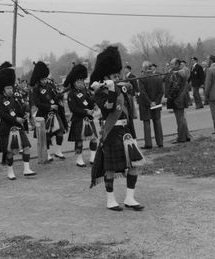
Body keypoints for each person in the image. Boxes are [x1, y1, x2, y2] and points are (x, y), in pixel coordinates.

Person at [90, 46, 144, 212]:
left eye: (117, 74)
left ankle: (130, 198)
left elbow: (128, 113)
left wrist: (133, 135)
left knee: (135, 165)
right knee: (111, 168)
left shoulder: (123, 88)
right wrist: (112, 89)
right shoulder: (99, 93)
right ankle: (110, 199)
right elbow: (109, 108)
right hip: (111, 133)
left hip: (126, 132)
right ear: (105, 76)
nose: (117, 76)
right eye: (113, 75)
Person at [0, 63, 36, 180]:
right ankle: (10, 171)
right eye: (8, 88)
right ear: (3, 89)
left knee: (26, 147)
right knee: (10, 152)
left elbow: (19, 110)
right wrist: (16, 119)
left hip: (19, 127)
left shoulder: (15, 98)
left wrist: (25, 112)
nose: (11, 90)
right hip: (7, 129)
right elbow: (3, 115)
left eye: (11, 87)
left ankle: (26, 169)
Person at [30, 61, 68, 161]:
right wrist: (50, 107)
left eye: (45, 78)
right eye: (43, 79)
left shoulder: (50, 86)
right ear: (39, 79)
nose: (45, 80)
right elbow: (37, 103)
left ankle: (58, 151)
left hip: (54, 113)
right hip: (43, 115)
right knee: (46, 136)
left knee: (60, 132)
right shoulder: (36, 89)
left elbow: (55, 97)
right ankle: (47, 154)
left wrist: (59, 96)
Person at [66, 64, 98, 167]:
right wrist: (86, 112)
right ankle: (79, 159)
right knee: (79, 140)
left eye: (82, 81)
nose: (81, 83)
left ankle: (92, 157)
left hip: (88, 119)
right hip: (78, 119)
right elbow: (73, 109)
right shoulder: (71, 94)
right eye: (78, 81)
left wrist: (94, 105)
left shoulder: (87, 91)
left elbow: (91, 102)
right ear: (74, 83)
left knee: (93, 138)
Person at [138, 61, 164, 148]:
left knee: (146, 123)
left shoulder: (141, 78)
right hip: (155, 103)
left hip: (145, 104)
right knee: (157, 121)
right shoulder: (158, 77)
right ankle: (160, 142)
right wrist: (155, 102)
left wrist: (150, 102)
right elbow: (161, 92)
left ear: (144, 68)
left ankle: (148, 144)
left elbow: (143, 92)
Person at [166, 58, 191, 143]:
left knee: (179, 119)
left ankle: (181, 138)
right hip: (182, 97)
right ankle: (186, 136)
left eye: (172, 64)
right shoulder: (182, 72)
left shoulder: (177, 73)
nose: (170, 66)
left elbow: (175, 87)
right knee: (182, 118)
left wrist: (170, 97)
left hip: (177, 99)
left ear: (177, 65)